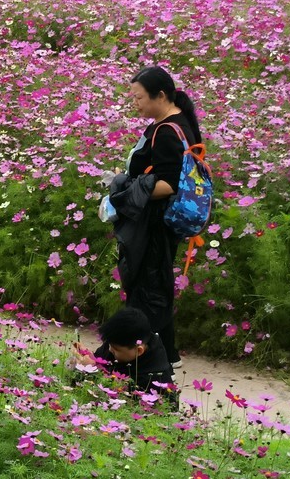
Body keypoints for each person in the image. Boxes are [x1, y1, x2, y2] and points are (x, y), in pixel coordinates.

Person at [106, 66, 203, 368]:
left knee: (148, 286)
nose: (135, 103)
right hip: (157, 221)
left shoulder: (168, 131)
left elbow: (170, 184)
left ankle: (148, 357)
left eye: (139, 98)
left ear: (160, 95)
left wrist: (128, 191)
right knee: (153, 284)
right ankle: (163, 353)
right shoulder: (171, 122)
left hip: (156, 221)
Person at [75, 308, 176, 403]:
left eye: (116, 349)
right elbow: (101, 360)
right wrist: (91, 358)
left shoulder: (154, 378)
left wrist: (93, 371)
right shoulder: (117, 342)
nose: (110, 350)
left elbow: (119, 397)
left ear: (139, 351)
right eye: (109, 345)